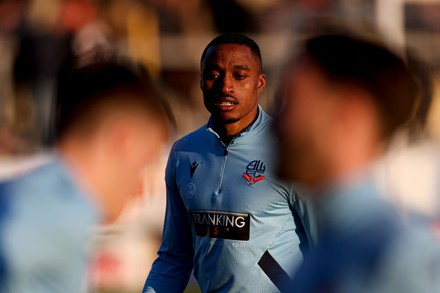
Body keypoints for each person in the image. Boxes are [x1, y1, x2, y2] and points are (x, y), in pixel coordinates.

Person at [143, 33, 310, 293]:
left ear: (260, 82)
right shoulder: (183, 152)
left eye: (239, 75)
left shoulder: (289, 148)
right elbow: (175, 257)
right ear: (200, 81)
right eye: (213, 75)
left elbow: (330, 248)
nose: (225, 86)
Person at [275, 32, 440, 292]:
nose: (276, 124)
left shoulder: (397, 255)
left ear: (345, 116)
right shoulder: (321, 255)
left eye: (290, 103)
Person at [0, 57, 172, 292]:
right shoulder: (60, 214)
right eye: (146, 163)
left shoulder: (38, 196)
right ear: (124, 141)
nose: (142, 189)